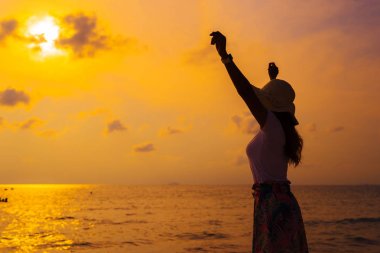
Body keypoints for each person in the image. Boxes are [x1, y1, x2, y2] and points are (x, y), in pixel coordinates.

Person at [210, 31, 308, 253]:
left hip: (274, 205)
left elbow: (246, 92)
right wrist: (273, 81)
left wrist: (225, 56)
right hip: (275, 203)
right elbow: (272, 101)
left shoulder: (273, 127)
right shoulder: (279, 129)